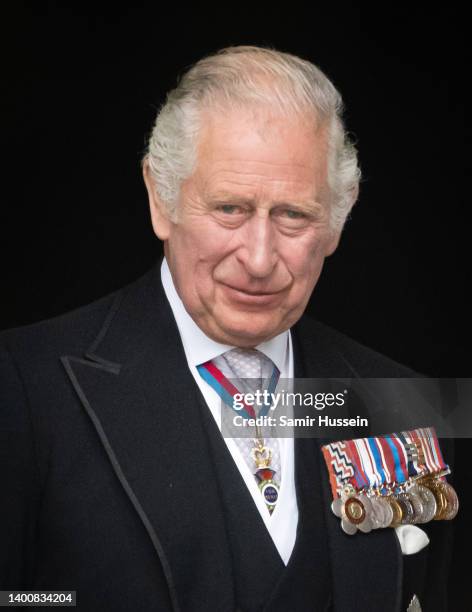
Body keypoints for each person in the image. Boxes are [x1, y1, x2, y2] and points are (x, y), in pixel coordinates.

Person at [0, 46, 452, 611]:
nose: (259, 258)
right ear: (160, 200)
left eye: (294, 215)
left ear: (339, 218)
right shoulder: (24, 386)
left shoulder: (399, 402)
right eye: (230, 209)